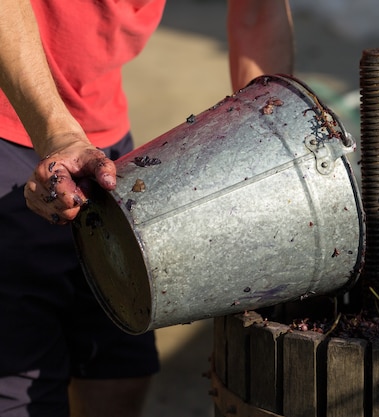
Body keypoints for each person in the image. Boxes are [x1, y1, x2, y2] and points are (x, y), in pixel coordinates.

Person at [0, 1, 294, 416]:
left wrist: (276, 146)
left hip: (103, 138)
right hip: (12, 116)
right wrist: (57, 133)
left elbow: (257, 12)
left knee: (119, 370)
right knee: (20, 388)